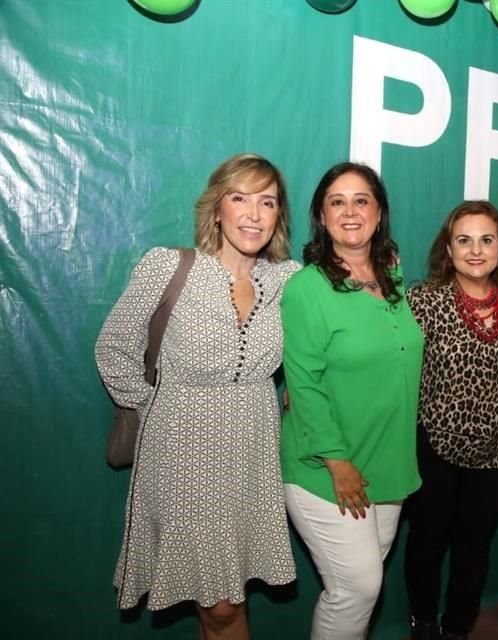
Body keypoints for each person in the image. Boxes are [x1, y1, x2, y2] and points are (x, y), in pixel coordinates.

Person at [95, 153, 299, 638]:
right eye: (240, 198)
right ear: (216, 209)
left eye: (266, 202)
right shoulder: (168, 268)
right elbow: (114, 348)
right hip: (183, 458)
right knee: (221, 603)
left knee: (227, 598)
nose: (253, 214)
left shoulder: (287, 280)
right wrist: (157, 409)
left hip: (251, 456)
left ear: (278, 217)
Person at [279, 162, 423, 640]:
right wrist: (337, 461)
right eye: (336, 201)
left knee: (360, 589)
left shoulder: (393, 278)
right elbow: (303, 381)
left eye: (361, 200)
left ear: (379, 213)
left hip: (388, 461)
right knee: (357, 588)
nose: (350, 211)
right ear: (321, 216)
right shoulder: (306, 287)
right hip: (329, 468)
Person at [404, 201, 498, 640]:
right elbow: (389, 364)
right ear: (449, 249)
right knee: (427, 545)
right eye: (464, 240)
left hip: (496, 456)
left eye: (486, 240)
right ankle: (422, 625)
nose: (475, 250)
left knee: (473, 552)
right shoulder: (424, 301)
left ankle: (457, 629)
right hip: (435, 449)